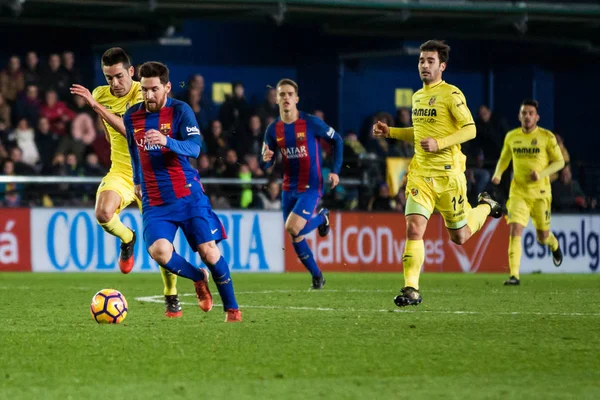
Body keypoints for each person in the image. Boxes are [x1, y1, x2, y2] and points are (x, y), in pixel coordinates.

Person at [373, 39, 502, 307]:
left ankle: (487, 207)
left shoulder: (452, 94)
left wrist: (440, 143)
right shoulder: (417, 96)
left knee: (460, 237)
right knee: (413, 228)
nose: (424, 65)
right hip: (421, 174)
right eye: (421, 60)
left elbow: (471, 129)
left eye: (430, 61)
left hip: (449, 176)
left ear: (442, 66)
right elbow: (419, 135)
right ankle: (411, 288)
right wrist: (392, 132)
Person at [124, 61, 241, 322]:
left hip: (188, 195)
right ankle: (198, 278)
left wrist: (167, 141)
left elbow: (195, 148)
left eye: (154, 89)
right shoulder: (131, 116)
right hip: (155, 200)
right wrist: (136, 181)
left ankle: (232, 310)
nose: (148, 95)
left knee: (209, 252)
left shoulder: (181, 111)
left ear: (167, 87)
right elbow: (134, 151)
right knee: (159, 251)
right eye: (144, 89)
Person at [70, 48, 181, 318]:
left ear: (131, 72)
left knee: (161, 246)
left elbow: (127, 129)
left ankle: (171, 295)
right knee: (103, 213)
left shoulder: (143, 95)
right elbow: (109, 132)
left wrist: (96, 107)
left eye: (119, 76)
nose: (114, 84)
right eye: (108, 78)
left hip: (152, 176)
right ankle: (128, 238)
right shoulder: (99, 94)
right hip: (122, 171)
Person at [261, 78, 343, 290]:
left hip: (311, 185)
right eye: (282, 94)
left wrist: (335, 170)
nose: (286, 97)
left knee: (292, 226)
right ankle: (317, 276)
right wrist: (266, 158)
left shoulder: (311, 123)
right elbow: (267, 164)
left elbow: (338, 140)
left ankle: (323, 216)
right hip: (288, 187)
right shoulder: (272, 129)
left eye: (290, 94)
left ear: (296, 98)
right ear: (277, 99)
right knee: (295, 235)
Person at [492, 99, 565, 285]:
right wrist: (498, 174)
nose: (527, 116)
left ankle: (554, 245)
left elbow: (560, 162)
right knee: (515, 229)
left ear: (537, 117)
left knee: (542, 237)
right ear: (519, 115)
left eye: (531, 113)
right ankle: (514, 275)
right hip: (518, 193)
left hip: (540, 194)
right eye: (524, 113)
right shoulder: (512, 136)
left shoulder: (547, 137)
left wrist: (541, 174)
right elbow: (504, 158)